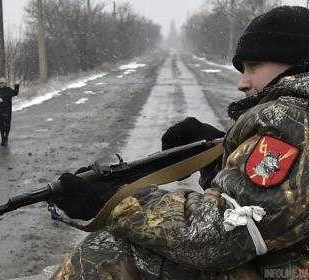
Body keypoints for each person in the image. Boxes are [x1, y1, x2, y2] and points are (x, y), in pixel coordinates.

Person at [50, 6, 309, 279]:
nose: (242, 82)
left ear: (297, 63)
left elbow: (221, 236)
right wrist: (219, 161)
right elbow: (270, 213)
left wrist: (114, 200)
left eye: (253, 67)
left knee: (108, 252)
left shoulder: (292, 121)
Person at [0, 77, 20, 146]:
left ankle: (6, 137)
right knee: (1, 125)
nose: (1, 84)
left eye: (3, 83)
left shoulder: (8, 90)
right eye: (0, 83)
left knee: (7, 125)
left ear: (5, 83)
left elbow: (15, 93)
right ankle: (2, 139)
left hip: (7, 110)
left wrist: (17, 85)